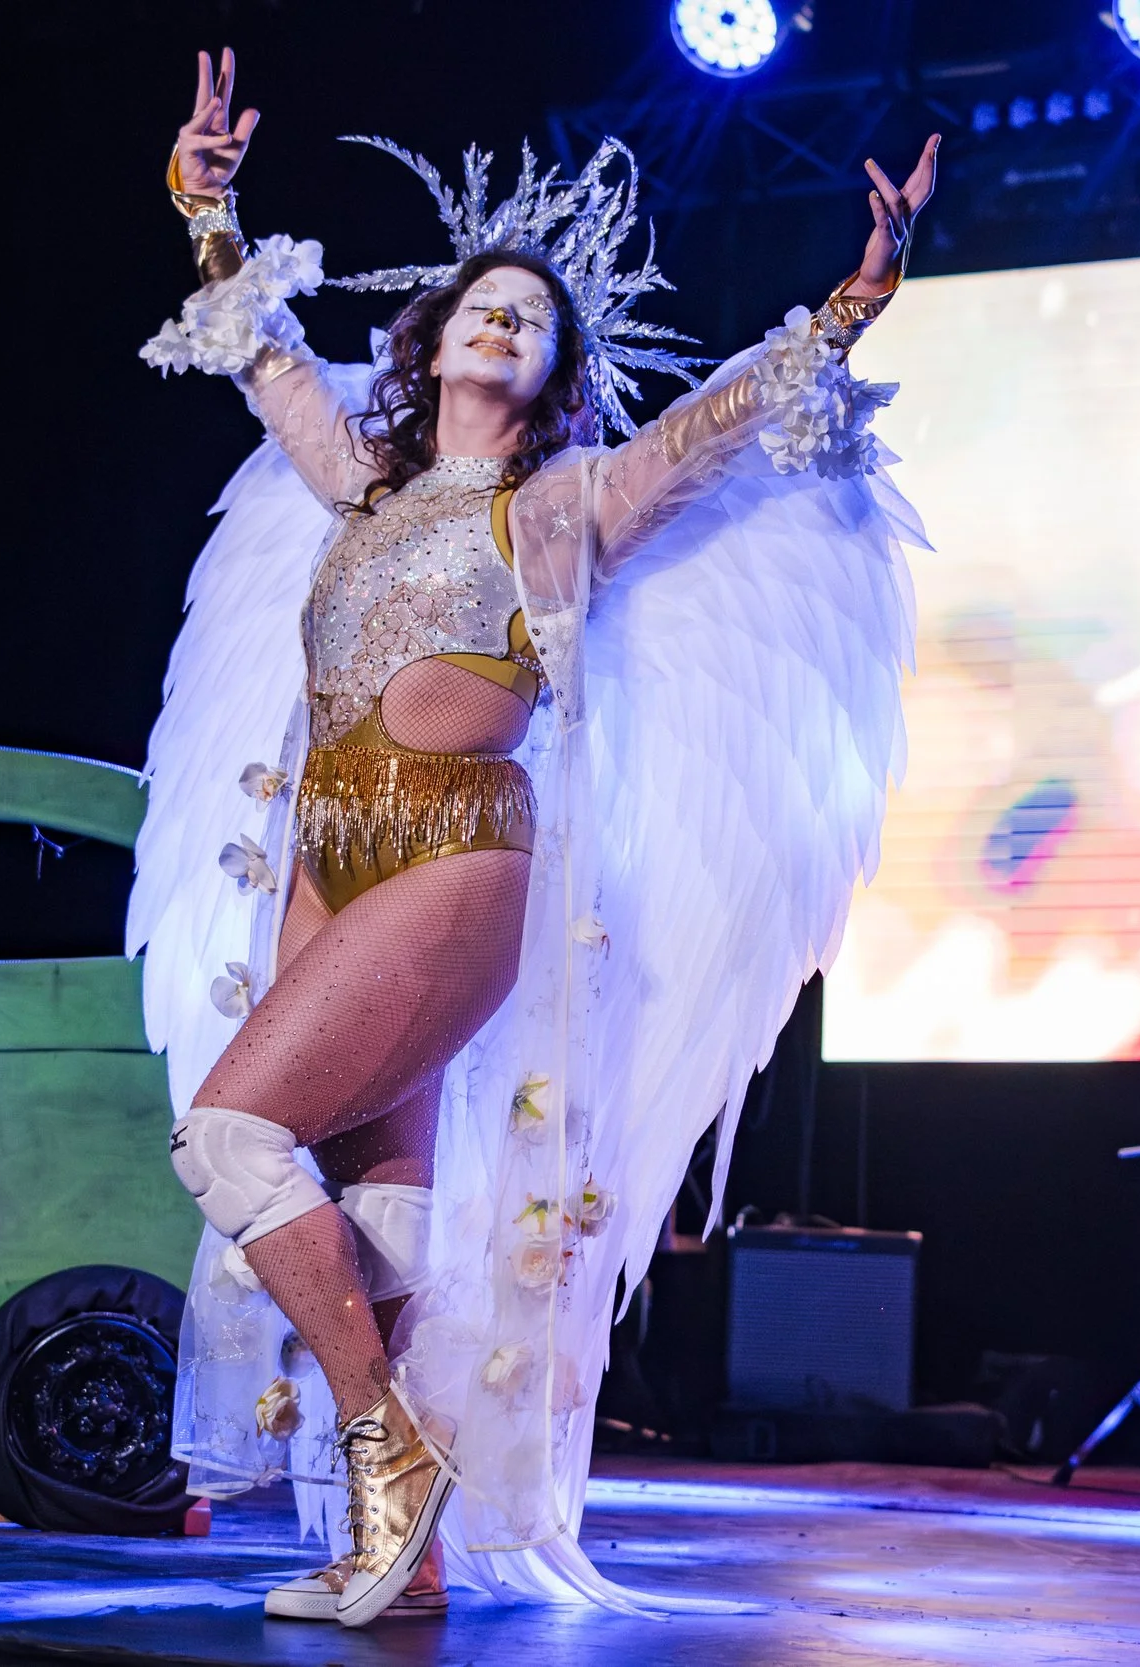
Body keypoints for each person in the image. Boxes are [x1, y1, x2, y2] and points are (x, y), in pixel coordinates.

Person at [127, 47, 935, 1627]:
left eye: (532, 311)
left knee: (227, 1137)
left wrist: (852, 303)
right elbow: (266, 357)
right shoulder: (358, 490)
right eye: (481, 303)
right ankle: (406, 1563)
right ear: (432, 346)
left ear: (551, 361)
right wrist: (206, 209)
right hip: (327, 852)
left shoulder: (561, 508)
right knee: (386, 1217)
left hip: (451, 859)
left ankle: (392, 1449)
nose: (504, 317)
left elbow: (712, 427)